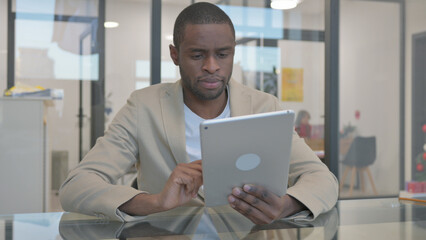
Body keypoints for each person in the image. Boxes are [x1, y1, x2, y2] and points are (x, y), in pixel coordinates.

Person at [59, 2, 338, 224]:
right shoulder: (143, 107)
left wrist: (285, 205)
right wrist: (154, 202)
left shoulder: (265, 106)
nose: (211, 66)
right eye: (197, 55)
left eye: (223, 54)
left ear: (233, 53)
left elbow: (323, 179)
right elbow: (76, 186)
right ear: (175, 55)